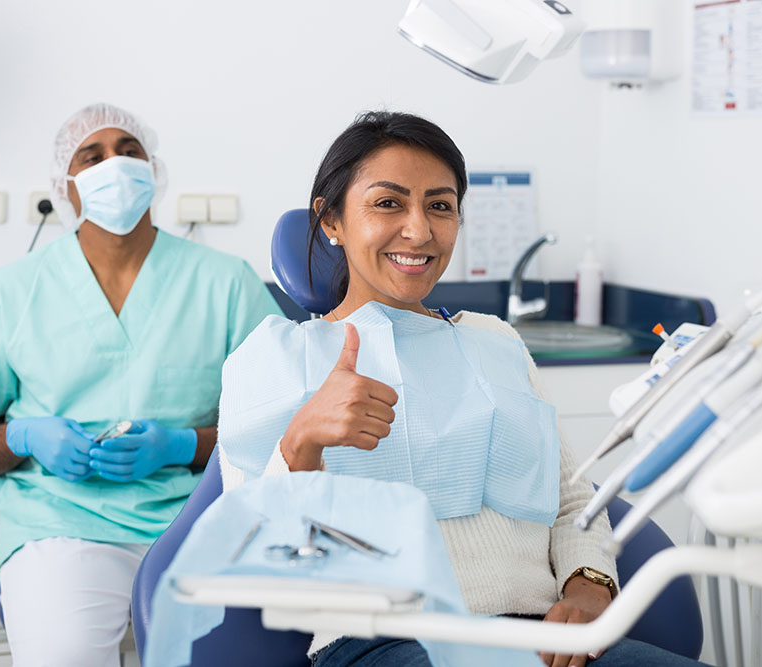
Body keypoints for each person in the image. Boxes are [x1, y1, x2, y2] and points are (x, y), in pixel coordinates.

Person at [215, 111, 706, 667]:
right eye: (388, 203)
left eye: (440, 206)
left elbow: (570, 496)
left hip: (543, 640)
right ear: (330, 221)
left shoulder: (494, 341)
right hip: (385, 643)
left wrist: (589, 585)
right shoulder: (272, 359)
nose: (420, 230)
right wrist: (301, 443)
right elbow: (254, 558)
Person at [0, 103, 284, 666]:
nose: (114, 166)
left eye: (129, 151)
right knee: (62, 654)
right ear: (65, 184)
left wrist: (184, 445)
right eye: (91, 156)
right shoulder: (12, 290)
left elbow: (281, 426)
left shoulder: (225, 283)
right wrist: (24, 437)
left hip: (197, 514)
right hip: (60, 520)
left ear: (154, 171)